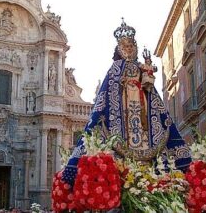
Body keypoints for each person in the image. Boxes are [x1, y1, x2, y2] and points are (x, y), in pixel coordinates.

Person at [62, 19, 191, 185]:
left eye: (131, 46)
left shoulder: (140, 66)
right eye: (125, 47)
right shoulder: (115, 68)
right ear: (119, 49)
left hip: (141, 104)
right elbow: (107, 94)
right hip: (122, 110)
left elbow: (149, 87)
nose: (128, 49)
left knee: (143, 131)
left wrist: (147, 75)